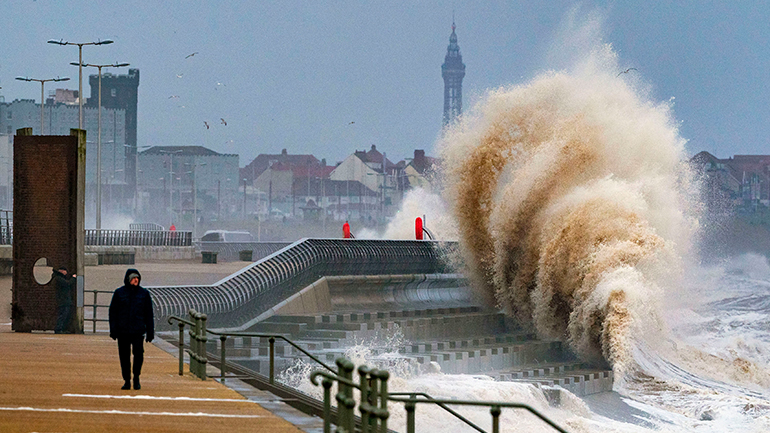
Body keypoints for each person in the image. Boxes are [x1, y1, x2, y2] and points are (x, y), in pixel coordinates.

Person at [109, 268, 155, 390]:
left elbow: (149, 314)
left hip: (138, 330)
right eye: (134, 278)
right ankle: (127, 380)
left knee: (139, 355)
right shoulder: (119, 293)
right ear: (128, 279)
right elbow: (113, 312)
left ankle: (136, 378)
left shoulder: (144, 294)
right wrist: (113, 329)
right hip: (122, 331)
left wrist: (150, 331)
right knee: (124, 357)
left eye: (137, 278)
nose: (136, 280)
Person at [53, 266, 76, 334]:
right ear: (62, 271)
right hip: (63, 300)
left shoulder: (58, 278)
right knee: (63, 314)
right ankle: (59, 328)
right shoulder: (59, 278)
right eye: (65, 271)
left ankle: (61, 328)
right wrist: (73, 278)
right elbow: (67, 283)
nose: (66, 273)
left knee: (64, 314)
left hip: (63, 299)